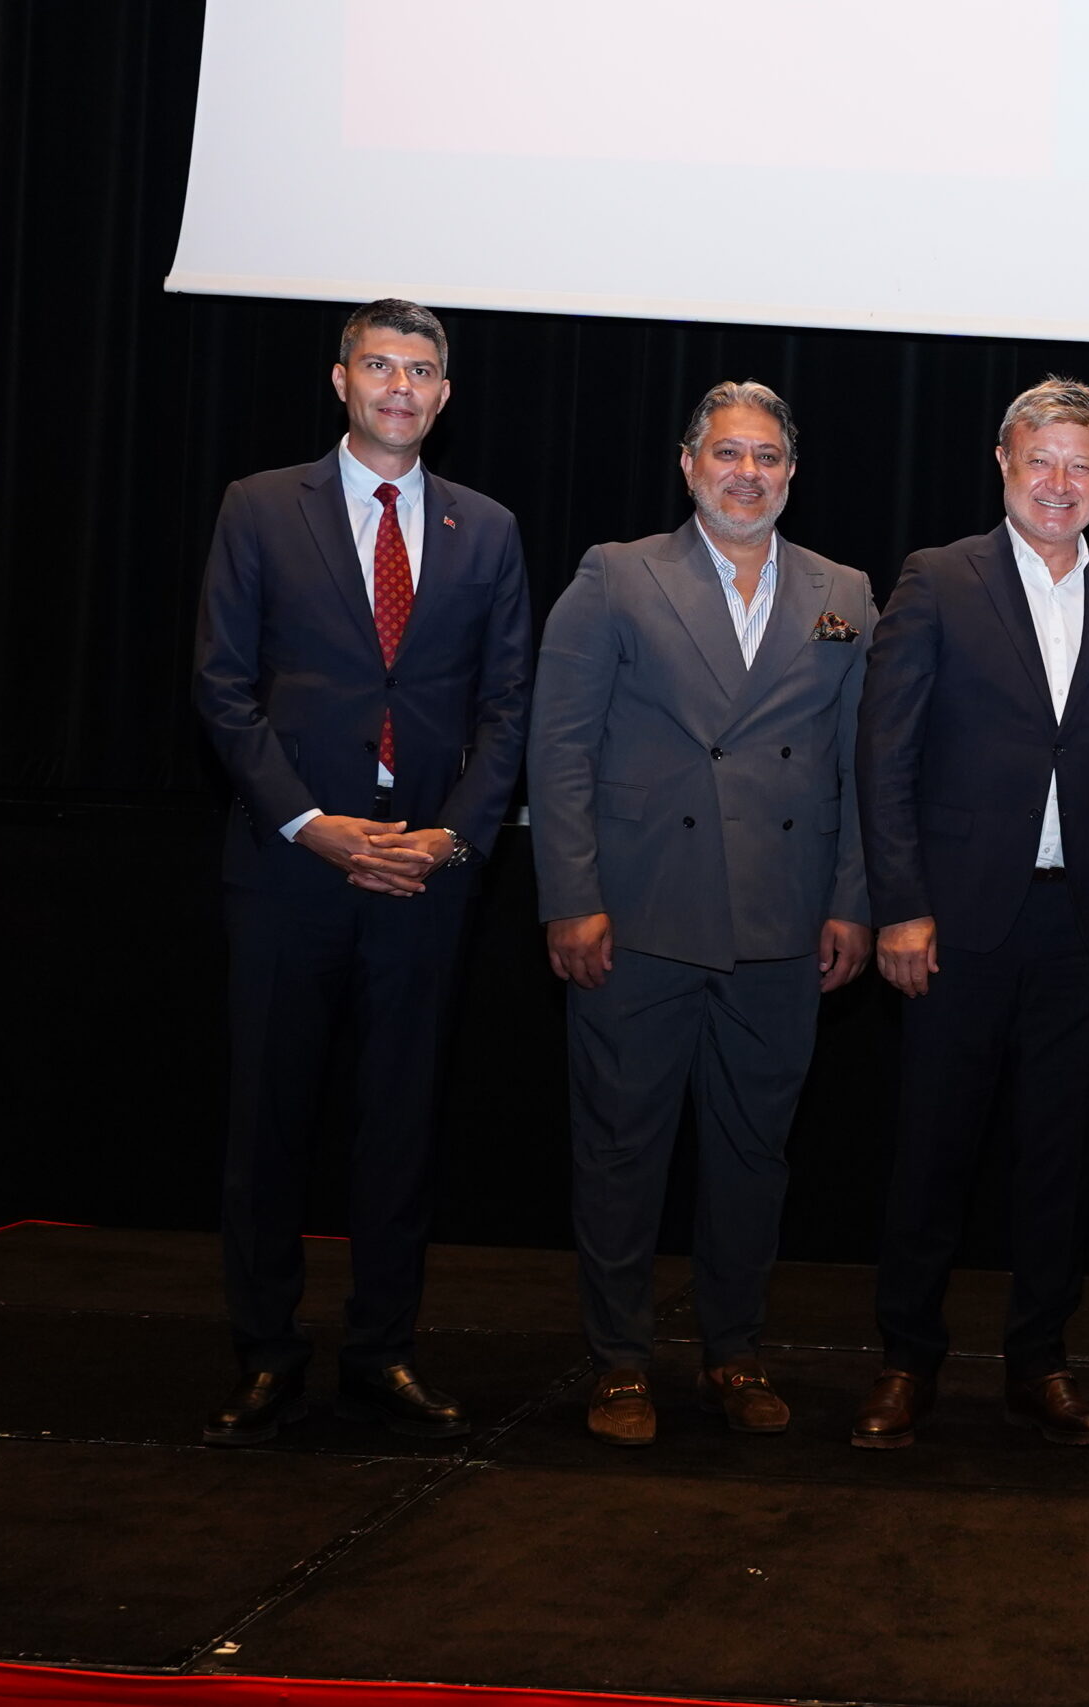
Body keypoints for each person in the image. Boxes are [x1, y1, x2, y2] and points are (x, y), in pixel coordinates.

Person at [191, 298, 531, 1446]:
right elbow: (222, 687)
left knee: (400, 1127)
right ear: (340, 380)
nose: (400, 387)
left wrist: (452, 837)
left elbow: (508, 706)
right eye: (379, 365)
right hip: (290, 866)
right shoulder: (258, 506)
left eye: (420, 370)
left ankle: (383, 1350)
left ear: (445, 394)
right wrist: (307, 823)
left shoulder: (488, 528)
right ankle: (266, 1353)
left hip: (425, 873)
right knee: (269, 1124)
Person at [530, 380, 875, 1447]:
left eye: (767, 456)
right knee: (621, 1150)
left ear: (792, 473)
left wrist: (852, 900)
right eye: (727, 453)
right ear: (688, 466)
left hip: (782, 921)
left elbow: (858, 764)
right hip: (640, 915)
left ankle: (735, 1352)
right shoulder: (617, 574)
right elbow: (560, 748)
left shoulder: (844, 592)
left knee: (753, 1155)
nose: (746, 473)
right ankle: (620, 1362)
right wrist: (571, 897)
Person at [852, 377, 1089, 1448]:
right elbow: (885, 752)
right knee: (932, 1152)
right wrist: (899, 905)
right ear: (1003, 463)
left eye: (1079, 464)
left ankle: (1040, 1361)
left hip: (1084, 930)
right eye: (1039, 458)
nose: (1058, 482)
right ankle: (906, 1360)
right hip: (952, 925)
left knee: (1060, 1159)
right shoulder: (936, 577)